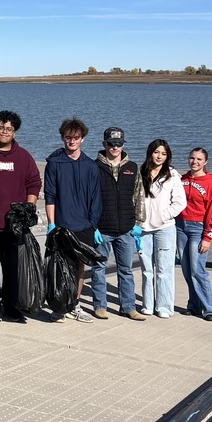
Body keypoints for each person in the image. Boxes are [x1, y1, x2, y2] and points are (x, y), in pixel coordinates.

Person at [0, 111, 41, 323]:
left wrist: (28, 208)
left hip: (15, 225)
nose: (4, 132)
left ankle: (12, 306)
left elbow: (34, 183)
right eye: (0, 128)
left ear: (15, 132)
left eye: (9, 129)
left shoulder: (23, 157)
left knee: (13, 268)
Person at [44, 117, 101, 322]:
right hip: (61, 225)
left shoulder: (90, 166)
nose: (72, 141)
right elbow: (50, 195)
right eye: (68, 137)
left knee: (79, 266)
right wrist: (51, 224)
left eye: (76, 137)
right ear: (62, 138)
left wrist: (94, 224)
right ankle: (60, 306)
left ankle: (75, 304)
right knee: (60, 266)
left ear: (82, 139)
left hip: (84, 225)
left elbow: (96, 197)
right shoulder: (54, 162)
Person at [90, 126, 147, 321]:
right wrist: (93, 225)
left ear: (124, 144)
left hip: (126, 229)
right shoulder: (93, 167)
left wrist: (139, 223)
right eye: (111, 143)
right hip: (102, 229)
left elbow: (139, 195)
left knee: (126, 270)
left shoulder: (132, 167)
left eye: (119, 143)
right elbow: (88, 197)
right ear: (104, 144)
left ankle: (128, 306)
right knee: (98, 268)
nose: (115, 147)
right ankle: (99, 305)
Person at [139, 139, 187, 318]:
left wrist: (164, 215)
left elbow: (180, 202)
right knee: (146, 269)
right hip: (143, 228)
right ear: (150, 152)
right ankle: (148, 305)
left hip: (165, 228)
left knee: (164, 269)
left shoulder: (172, 175)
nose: (159, 156)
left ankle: (165, 307)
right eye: (156, 152)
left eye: (163, 153)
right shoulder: (141, 172)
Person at [176, 147, 212, 321]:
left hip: (198, 229)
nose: (195, 162)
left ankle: (210, 309)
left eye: (199, 159)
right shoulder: (183, 179)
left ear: (205, 162)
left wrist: (207, 238)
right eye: (192, 158)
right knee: (187, 270)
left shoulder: (210, 184)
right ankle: (194, 305)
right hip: (180, 227)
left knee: (198, 270)